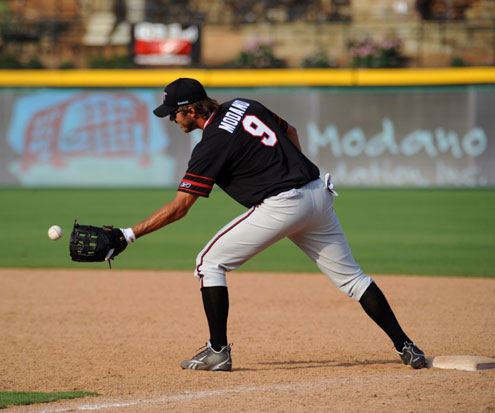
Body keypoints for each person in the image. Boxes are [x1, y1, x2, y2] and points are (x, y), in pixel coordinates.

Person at [118, 77, 426, 371]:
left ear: (192, 110)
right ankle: (406, 345)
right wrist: (295, 174)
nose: (172, 120)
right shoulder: (244, 104)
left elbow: (180, 207)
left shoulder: (210, 145)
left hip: (282, 205)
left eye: (174, 114)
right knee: (354, 280)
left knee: (208, 263)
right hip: (318, 193)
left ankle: (217, 352)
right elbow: (290, 130)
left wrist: (128, 235)